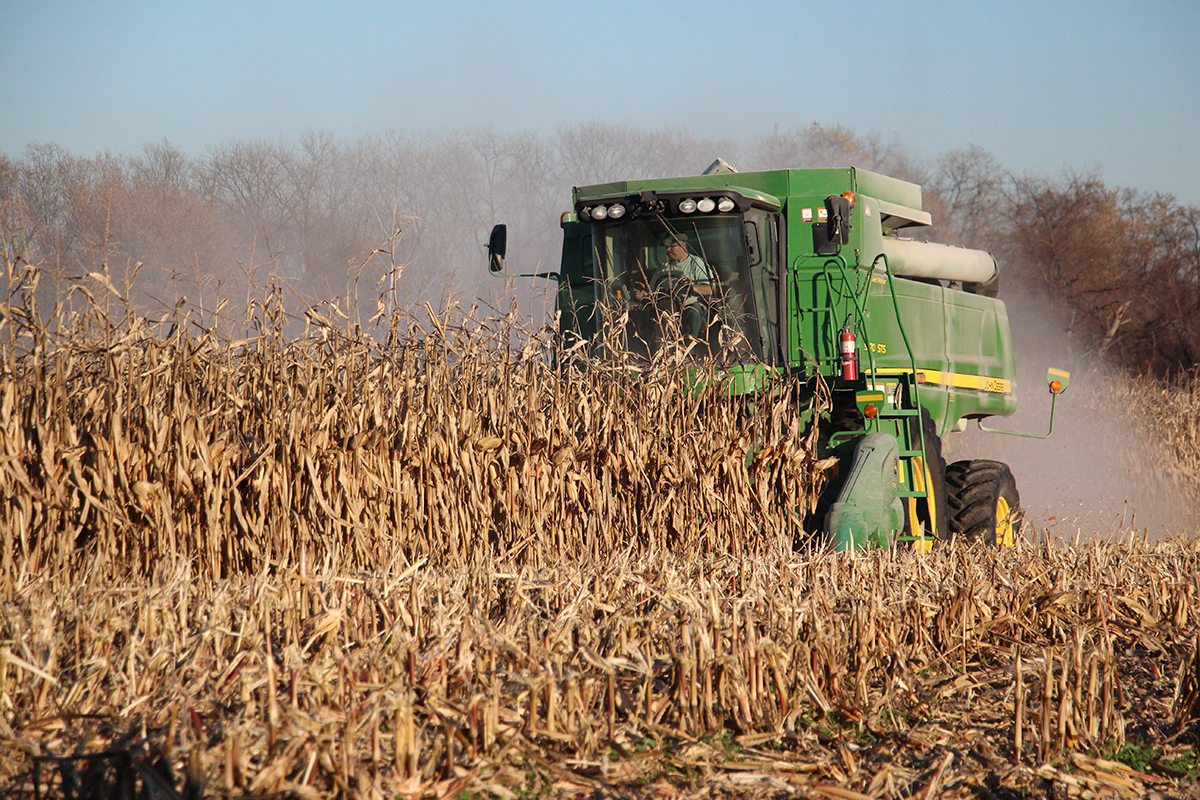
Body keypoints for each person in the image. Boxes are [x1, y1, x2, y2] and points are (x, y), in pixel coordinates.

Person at [651, 233, 717, 341]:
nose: (668, 250)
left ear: (683, 246)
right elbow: (652, 290)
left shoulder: (696, 263)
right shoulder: (663, 268)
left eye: (672, 246)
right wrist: (642, 294)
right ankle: (659, 350)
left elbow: (711, 289)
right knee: (654, 314)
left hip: (691, 304)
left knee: (693, 312)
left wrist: (692, 288)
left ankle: (689, 350)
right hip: (669, 307)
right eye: (667, 247)